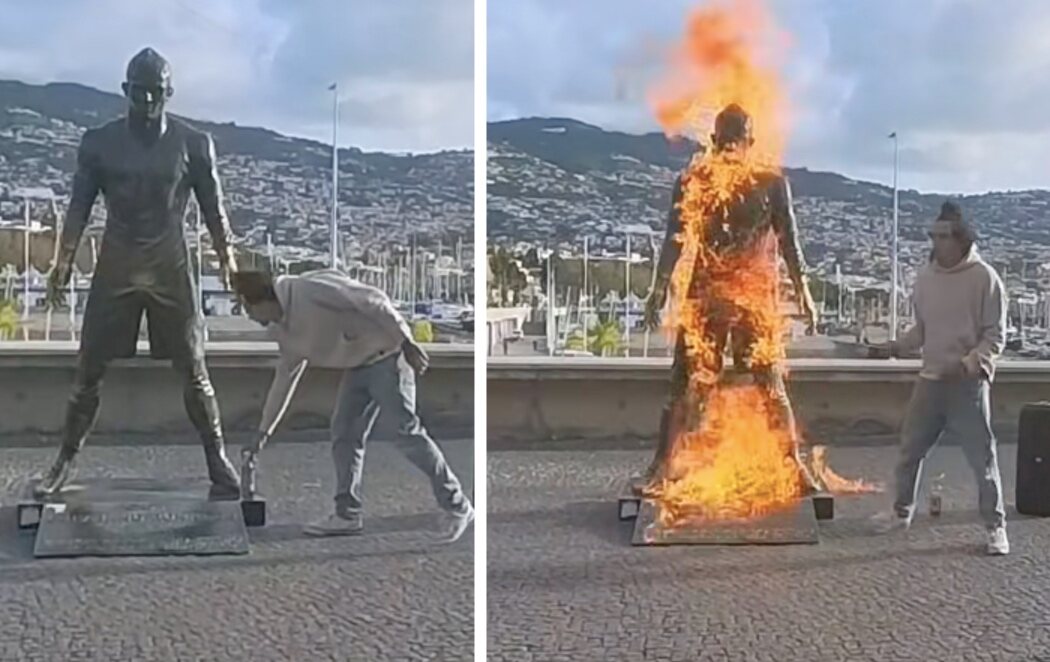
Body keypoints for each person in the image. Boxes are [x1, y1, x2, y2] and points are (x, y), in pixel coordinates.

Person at [35, 47, 241, 497]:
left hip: (171, 268)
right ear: (126, 91)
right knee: (88, 370)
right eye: (139, 94)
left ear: (169, 93)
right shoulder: (99, 143)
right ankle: (64, 462)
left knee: (195, 370)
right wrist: (62, 262)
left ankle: (217, 460)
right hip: (117, 266)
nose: (147, 104)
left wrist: (229, 262)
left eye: (156, 95)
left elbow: (214, 212)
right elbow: (78, 208)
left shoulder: (193, 144)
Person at [640, 103, 820, 492]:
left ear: (750, 143)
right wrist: (659, 288)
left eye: (737, 142)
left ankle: (794, 466)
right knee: (683, 383)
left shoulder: (771, 183)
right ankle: (661, 467)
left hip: (751, 299)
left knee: (770, 383)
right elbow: (674, 239)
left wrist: (803, 290)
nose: (731, 149)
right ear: (713, 142)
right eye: (725, 142)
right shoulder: (694, 181)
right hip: (704, 296)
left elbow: (790, 240)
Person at [234, 269, 474, 542]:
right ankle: (347, 515)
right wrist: (263, 432)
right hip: (358, 366)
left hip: (389, 357)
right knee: (345, 435)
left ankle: (458, 506)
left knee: (405, 432)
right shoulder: (282, 331)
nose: (250, 316)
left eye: (247, 307)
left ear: (263, 300)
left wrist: (407, 341)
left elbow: (372, 300)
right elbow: (285, 379)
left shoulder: (308, 289)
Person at [870, 200, 1008, 555]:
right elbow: (923, 331)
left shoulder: (984, 279)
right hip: (929, 381)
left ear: (962, 238)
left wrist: (967, 364)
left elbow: (995, 336)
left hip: (967, 386)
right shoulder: (925, 278)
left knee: (983, 460)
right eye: (933, 234)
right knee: (909, 451)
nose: (936, 241)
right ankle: (901, 512)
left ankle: (995, 527)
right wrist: (895, 347)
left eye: (943, 235)